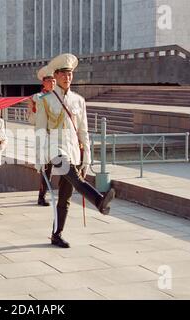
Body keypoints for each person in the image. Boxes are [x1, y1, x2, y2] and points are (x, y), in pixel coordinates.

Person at [35, 54, 115, 248]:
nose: (67, 77)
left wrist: (86, 157)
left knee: (65, 196)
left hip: (73, 150)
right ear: (55, 75)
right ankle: (99, 200)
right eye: (63, 73)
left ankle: (57, 234)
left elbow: (83, 131)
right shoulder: (45, 100)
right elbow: (40, 131)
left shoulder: (79, 101)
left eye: (69, 74)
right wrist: (39, 159)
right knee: (77, 181)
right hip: (56, 150)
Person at [28, 66, 56, 206]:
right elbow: (32, 119)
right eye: (49, 81)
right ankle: (42, 196)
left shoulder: (58, 97)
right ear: (43, 83)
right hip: (44, 138)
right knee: (46, 168)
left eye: (54, 81)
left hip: (57, 137)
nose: (52, 84)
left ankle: (52, 194)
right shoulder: (38, 97)